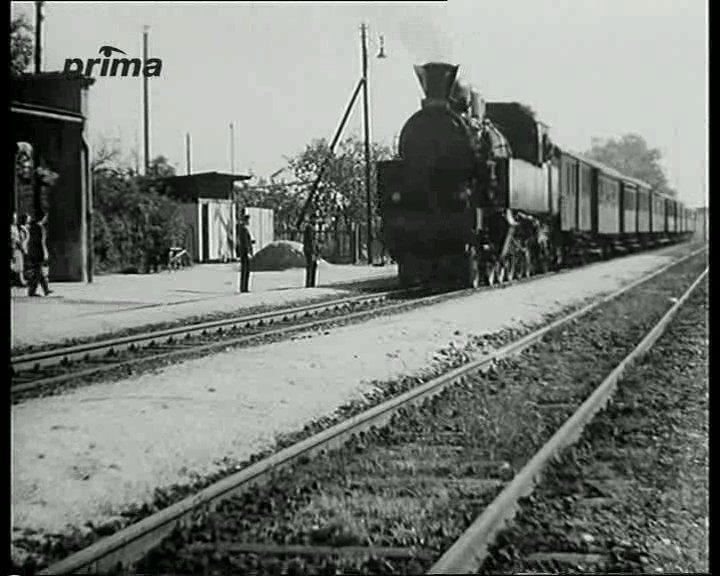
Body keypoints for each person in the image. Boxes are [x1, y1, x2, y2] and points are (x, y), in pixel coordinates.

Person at [27, 212, 52, 297]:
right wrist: (44, 253)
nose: (46, 219)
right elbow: (40, 242)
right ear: (42, 218)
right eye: (46, 217)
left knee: (39, 272)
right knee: (37, 274)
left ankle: (46, 289)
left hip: (32, 252)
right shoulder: (38, 227)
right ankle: (31, 292)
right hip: (37, 253)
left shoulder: (33, 227)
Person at [236, 212, 254, 293]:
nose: (248, 222)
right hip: (245, 253)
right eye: (247, 220)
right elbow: (245, 242)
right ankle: (244, 288)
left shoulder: (243, 229)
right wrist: (248, 252)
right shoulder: (244, 230)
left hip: (244, 252)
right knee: (245, 271)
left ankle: (244, 287)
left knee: (246, 270)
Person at [11, 212, 27, 287]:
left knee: (19, 266)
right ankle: (19, 281)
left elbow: (18, 238)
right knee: (14, 266)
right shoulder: (12, 228)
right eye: (14, 218)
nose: (15, 220)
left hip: (17, 248)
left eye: (15, 218)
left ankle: (19, 281)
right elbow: (14, 239)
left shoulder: (16, 227)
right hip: (13, 248)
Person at [303, 217, 320, 288]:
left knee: (313, 265)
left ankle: (312, 283)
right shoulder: (310, 227)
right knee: (311, 266)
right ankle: (309, 283)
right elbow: (311, 240)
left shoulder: (312, 227)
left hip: (312, 250)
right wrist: (314, 251)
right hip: (310, 250)